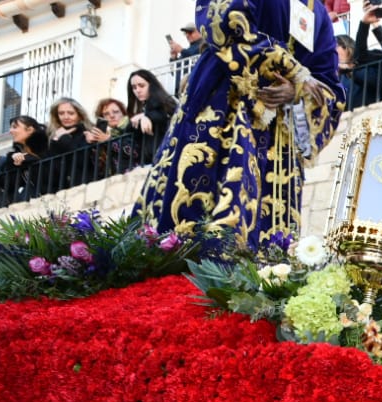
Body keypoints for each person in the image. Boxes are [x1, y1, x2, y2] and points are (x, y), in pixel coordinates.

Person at [138, 0, 344, 249]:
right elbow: (222, 21)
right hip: (225, 101)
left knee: (269, 245)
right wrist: (292, 70)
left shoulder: (316, 10)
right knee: (195, 211)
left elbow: (328, 83)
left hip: (279, 133)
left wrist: (297, 91)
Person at [125, 70, 178, 167]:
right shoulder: (142, 108)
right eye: (134, 87)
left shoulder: (164, 101)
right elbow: (129, 130)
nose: (137, 90)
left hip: (165, 157)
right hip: (149, 161)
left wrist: (146, 116)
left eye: (141, 85)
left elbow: (168, 115)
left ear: (151, 85)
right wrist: (144, 116)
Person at [45, 97, 96, 190]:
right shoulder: (53, 137)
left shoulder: (88, 133)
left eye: (71, 113)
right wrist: (56, 142)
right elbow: (52, 170)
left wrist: (64, 138)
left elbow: (82, 160)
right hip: (61, 191)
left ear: (80, 115)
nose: (66, 117)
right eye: (61, 113)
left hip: (85, 188)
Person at [83, 98, 140, 179]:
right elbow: (99, 166)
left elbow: (134, 152)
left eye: (116, 112)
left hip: (134, 177)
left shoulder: (133, 125)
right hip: (114, 181)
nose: (112, 116)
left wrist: (108, 140)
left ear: (123, 113)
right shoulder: (109, 134)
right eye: (106, 114)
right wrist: (93, 143)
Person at [0, 115, 48, 203]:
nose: (10, 131)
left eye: (15, 127)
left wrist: (27, 159)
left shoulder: (48, 146)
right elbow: (8, 185)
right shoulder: (13, 156)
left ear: (30, 130)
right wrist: (14, 165)